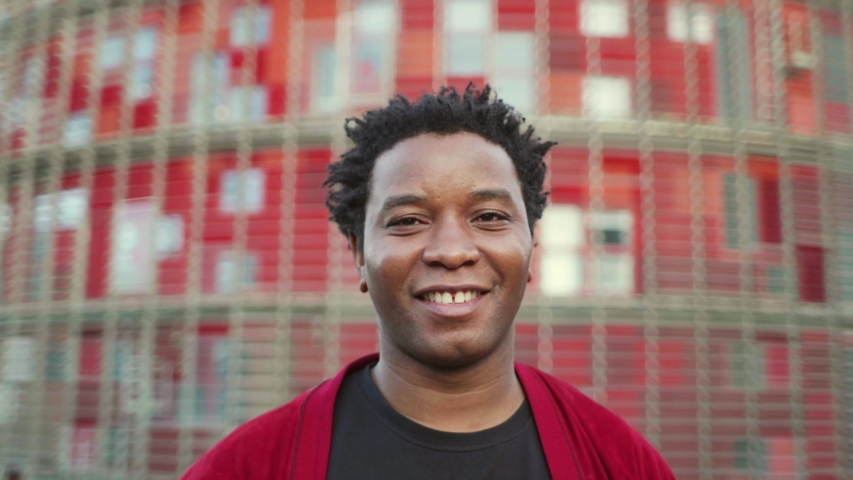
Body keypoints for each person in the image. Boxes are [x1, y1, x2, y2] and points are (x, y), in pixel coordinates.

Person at [181, 84, 675, 480]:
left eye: (488, 216)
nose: (451, 250)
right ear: (358, 252)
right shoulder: (249, 466)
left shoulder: (617, 461)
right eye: (407, 221)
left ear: (531, 244)